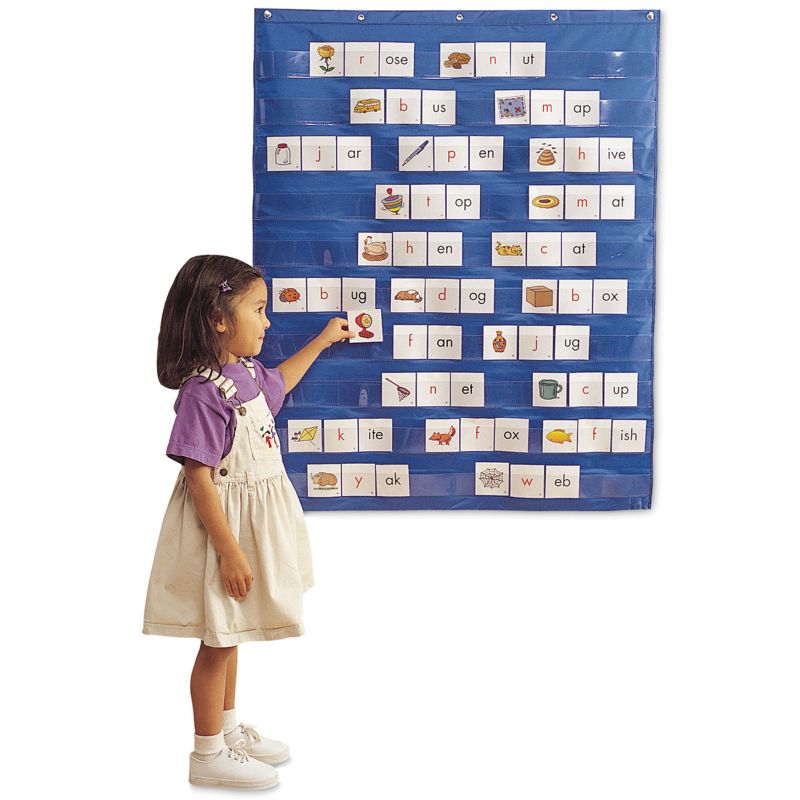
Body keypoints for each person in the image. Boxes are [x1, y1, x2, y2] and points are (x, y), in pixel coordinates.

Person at [142, 254, 355, 789]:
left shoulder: (249, 374)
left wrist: (323, 340)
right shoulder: (203, 392)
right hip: (221, 533)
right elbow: (198, 477)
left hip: (244, 526)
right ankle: (206, 752)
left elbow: (280, 384)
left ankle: (229, 729)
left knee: (230, 633)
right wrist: (231, 551)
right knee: (217, 641)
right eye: (258, 310)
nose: (267, 321)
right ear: (219, 319)